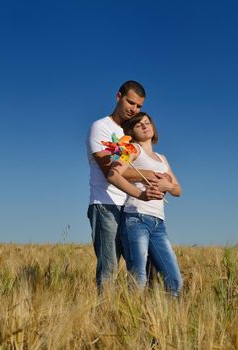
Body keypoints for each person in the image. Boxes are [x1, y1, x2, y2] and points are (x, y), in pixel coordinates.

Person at [86, 80, 164, 292]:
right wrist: (149, 175)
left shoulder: (133, 132)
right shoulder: (101, 127)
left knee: (142, 266)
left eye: (139, 106)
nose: (134, 109)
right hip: (106, 204)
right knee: (109, 266)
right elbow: (109, 169)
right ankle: (104, 315)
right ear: (118, 96)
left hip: (133, 208)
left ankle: (139, 315)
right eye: (131, 102)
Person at [107, 112, 183, 297]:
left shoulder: (162, 158)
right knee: (138, 279)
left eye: (147, 122)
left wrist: (168, 186)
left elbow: (178, 190)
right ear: (131, 131)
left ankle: (165, 323)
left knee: (174, 281)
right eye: (138, 124)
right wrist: (140, 194)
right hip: (136, 219)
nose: (144, 126)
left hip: (159, 223)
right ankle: (129, 321)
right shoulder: (131, 150)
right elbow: (113, 174)